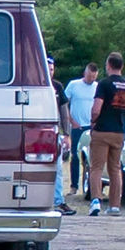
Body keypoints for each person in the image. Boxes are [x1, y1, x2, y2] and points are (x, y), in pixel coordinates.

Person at [89, 52, 125, 216]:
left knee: (96, 167)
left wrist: (93, 121)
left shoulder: (104, 84)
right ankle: (115, 205)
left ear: (108, 65)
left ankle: (96, 201)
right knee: (115, 169)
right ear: (121, 66)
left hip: (102, 131)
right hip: (118, 132)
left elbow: (96, 109)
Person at [64, 62, 98, 194]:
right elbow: (64, 104)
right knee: (76, 156)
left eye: (94, 77)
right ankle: (73, 186)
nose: (91, 79)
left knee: (91, 157)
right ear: (85, 73)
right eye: (90, 76)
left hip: (91, 126)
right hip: (77, 126)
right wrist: (71, 120)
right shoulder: (74, 85)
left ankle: (89, 185)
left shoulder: (97, 87)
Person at [49, 57, 75, 215]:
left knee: (58, 168)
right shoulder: (35, 84)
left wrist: (67, 134)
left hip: (56, 132)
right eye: (47, 68)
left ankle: (58, 201)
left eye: (52, 69)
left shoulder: (57, 86)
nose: (50, 72)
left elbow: (64, 112)